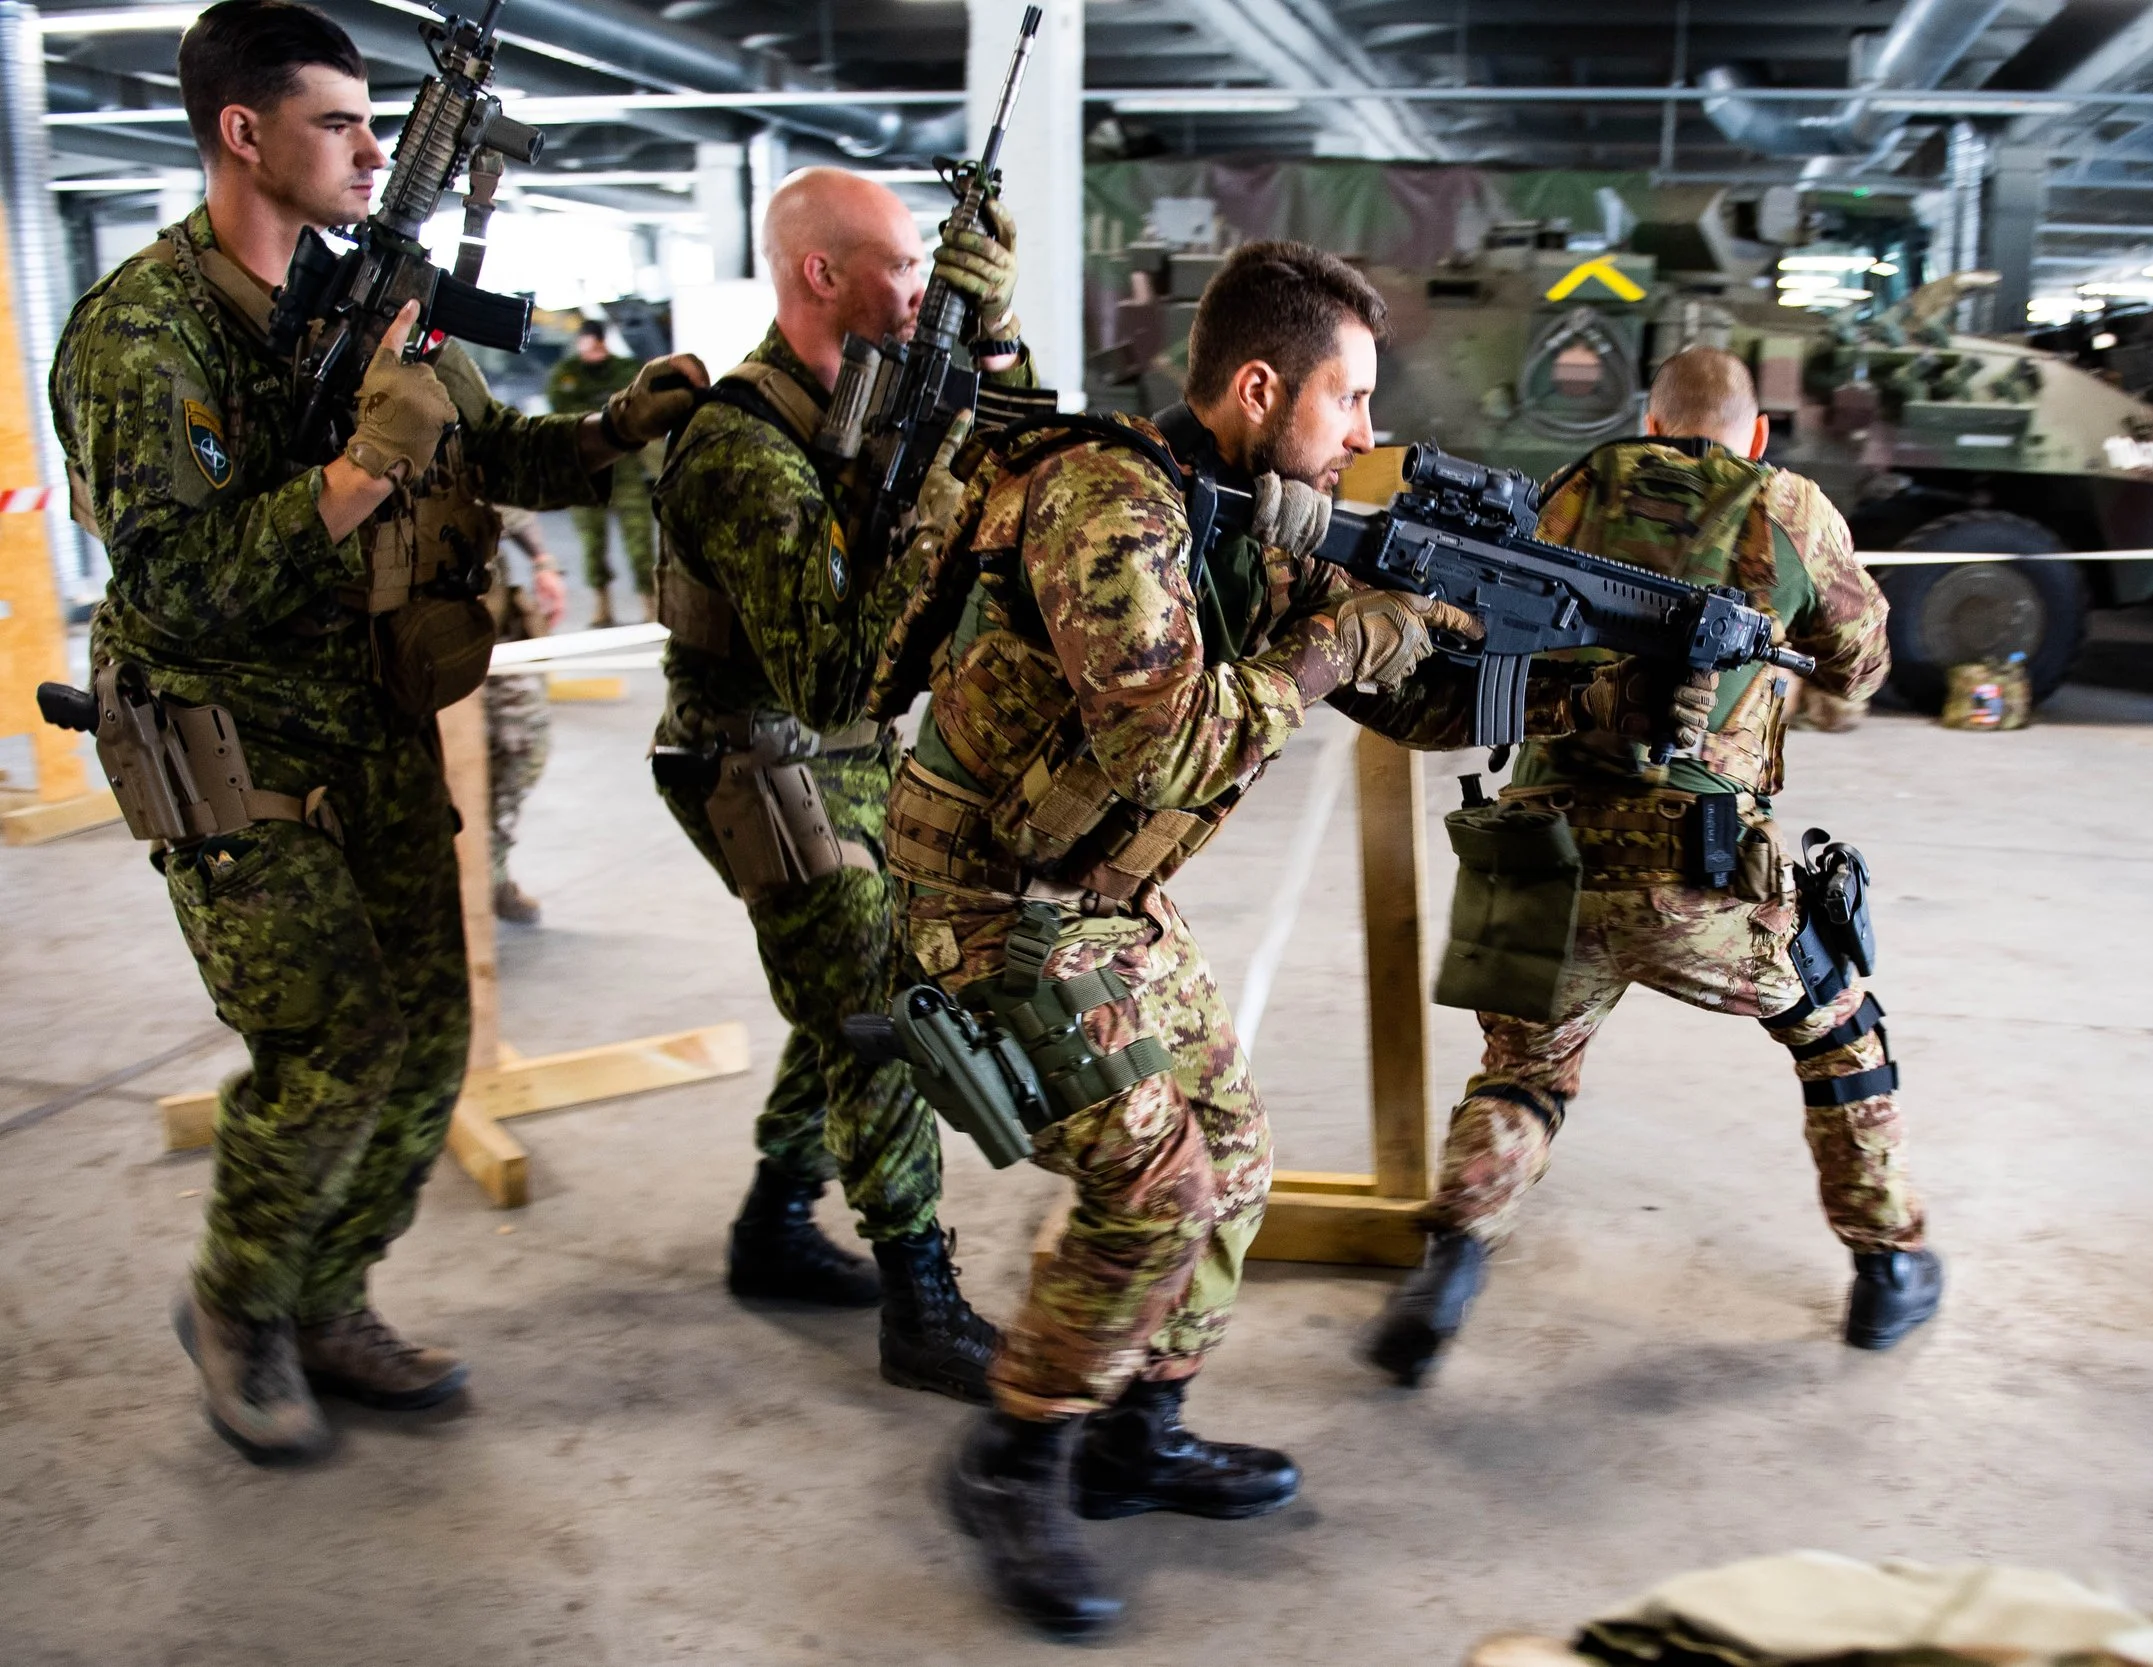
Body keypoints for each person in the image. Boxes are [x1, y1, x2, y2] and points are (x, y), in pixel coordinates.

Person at [51, 0, 706, 1463]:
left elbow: (491, 447)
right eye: (338, 122)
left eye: (372, 121)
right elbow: (175, 584)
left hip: (370, 724)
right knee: (330, 1042)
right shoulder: (138, 333)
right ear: (243, 130)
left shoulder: (381, 295)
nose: (367, 147)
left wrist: (615, 429)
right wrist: (353, 476)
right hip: (228, 747)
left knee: (426, 1042)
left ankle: (325, 1291)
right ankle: (237, 1305)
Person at [883, 240, 1487, 1635]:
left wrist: (1529, 657)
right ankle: (1014, 1457)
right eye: (1351, 404)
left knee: (1237, 1159)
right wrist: (1348, 641)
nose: (1368, 436)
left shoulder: (1253, 513)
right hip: (990, 898)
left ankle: (1135, 1432)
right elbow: (1169, 744)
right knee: (1153, 1188)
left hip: (1103, 895)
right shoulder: (1111, 505)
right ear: (1262, 385)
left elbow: (1404, 695)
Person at [1366, 344, 1941, 1388]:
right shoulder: (1789, 506)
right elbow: (1858, 670)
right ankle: (1889, 1265)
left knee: (1525, 1071)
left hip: (1542, 851)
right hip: (1698, 870)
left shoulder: (1562, 494)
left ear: (1646, 418)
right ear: (1752, 434)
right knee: (1838, 1029)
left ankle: (1446, 1266)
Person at [647, 167, 1026, 1398]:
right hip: (752, 753)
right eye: (904, 267)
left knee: (859, 973)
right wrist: (923, 492)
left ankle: (771, 1221)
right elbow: (825, 677)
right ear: (823, 274)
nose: (921, 289)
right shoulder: (740, 445)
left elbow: (1017, 460)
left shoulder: (864, 406)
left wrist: (995, 338)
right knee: (873, 994)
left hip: (848, 752)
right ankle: (918, 1293)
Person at [545, 321, 652, 626]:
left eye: (597, 346)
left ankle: (650, 604)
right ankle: (602, 607)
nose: (592, 353)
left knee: (640, 542)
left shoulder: (627, 369)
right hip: (588, 471)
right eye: (587, 346)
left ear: (605, 344)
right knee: (592, 544)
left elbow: (638, 408)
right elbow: (564, 415)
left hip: (627, 471)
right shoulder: (566, 374)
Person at [485, 507, 562, 925]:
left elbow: (507, 502)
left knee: (524, 745)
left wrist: (543, 561)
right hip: (405, 636)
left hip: (487, 626)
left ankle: (490, 870)